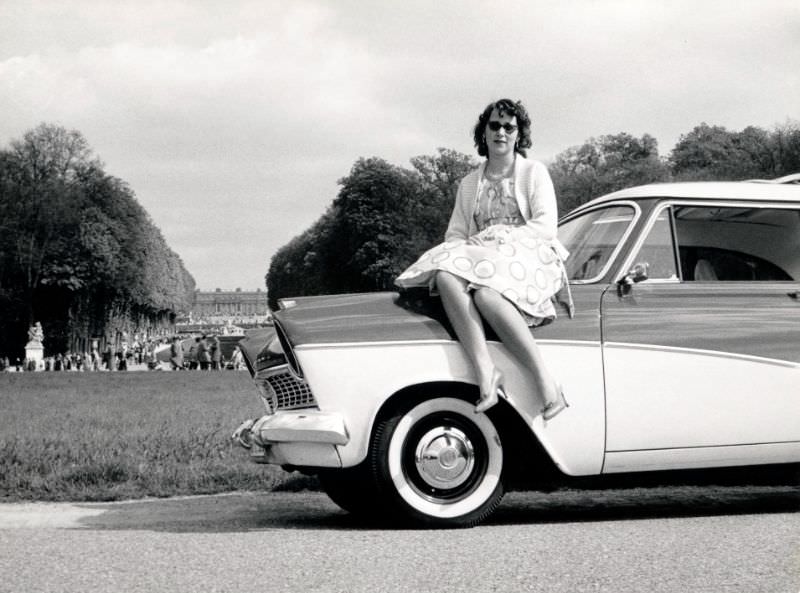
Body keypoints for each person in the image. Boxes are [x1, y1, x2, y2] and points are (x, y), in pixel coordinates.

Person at [396, 98, 572, 419]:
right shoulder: (468, 184)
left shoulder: (534, 172)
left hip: (529, 257)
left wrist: (501, 236)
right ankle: (485, 370)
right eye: (495, 125)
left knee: (487, 296)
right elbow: (455, 236)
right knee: (447, 275)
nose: (501, 132)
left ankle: (546, 382)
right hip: (484, 262)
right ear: (484, 131)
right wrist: (474, 247)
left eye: (509, 127)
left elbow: (546, 228)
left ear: (519, 134)